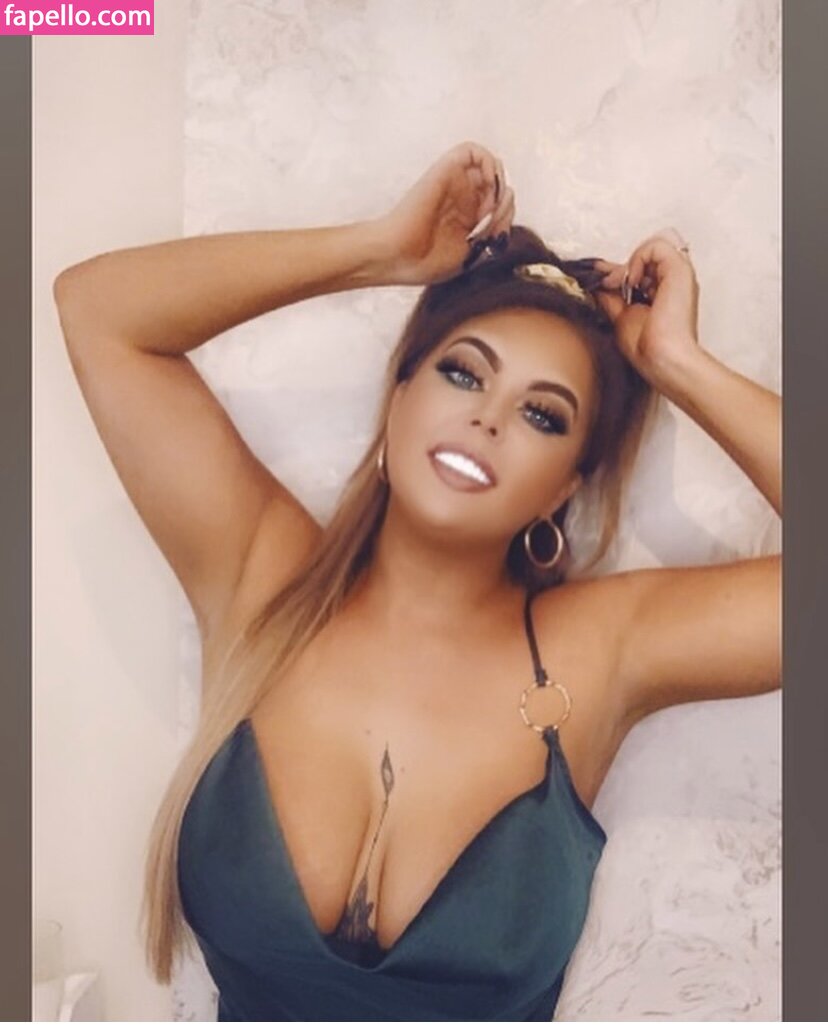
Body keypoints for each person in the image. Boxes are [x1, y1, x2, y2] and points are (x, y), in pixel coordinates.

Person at [53, 141, 781, 1020]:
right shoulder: (263, 576)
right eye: (463, 371)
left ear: (563, 488)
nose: (487, 417)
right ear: (399, 398)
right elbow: (99, 310)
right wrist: (380, 251)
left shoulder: (599, 649)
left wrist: (678, 363)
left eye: (542, 414)